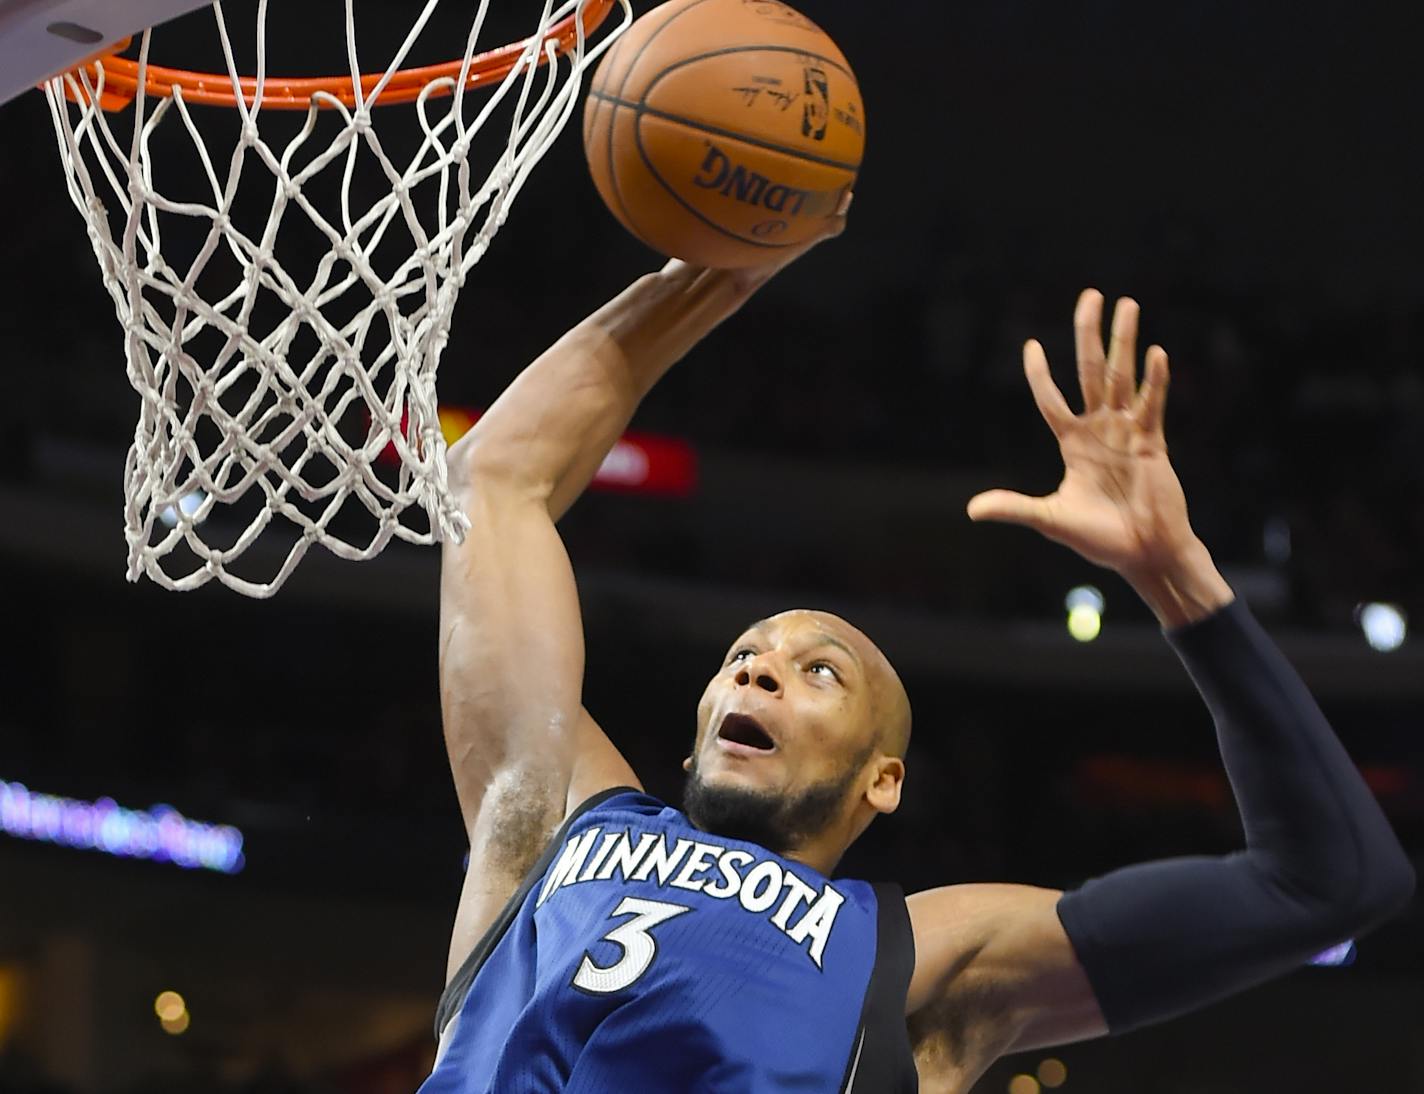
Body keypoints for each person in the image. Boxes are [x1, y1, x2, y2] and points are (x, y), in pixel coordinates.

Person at [418, 210, 1414, 1093]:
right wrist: (717, 267)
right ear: (692, 742)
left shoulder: (916, 952)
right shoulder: (551, 818)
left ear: (881, 778)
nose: (759, 665)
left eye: (820, 670)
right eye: (743, 655)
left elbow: (1330, 882)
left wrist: (1177, 575)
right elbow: (493, 485)